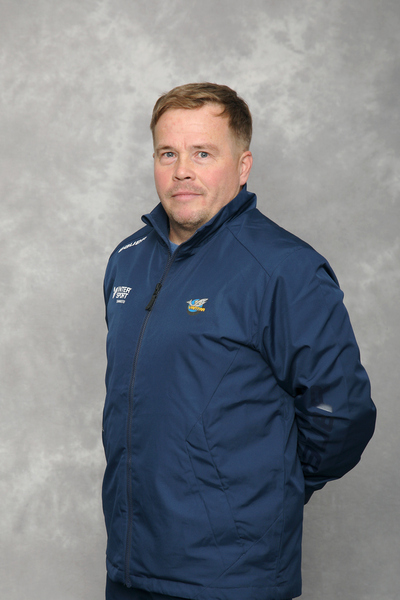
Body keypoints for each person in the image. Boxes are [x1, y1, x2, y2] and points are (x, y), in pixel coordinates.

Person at [102, 83, 376, 600]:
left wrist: (269, 489)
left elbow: (341, 415)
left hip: (231, 576)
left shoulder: (285, 269)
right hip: (131, 567)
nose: (182, 170)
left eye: (203, 153)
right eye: (168, 153)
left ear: (243, 165)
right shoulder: (127, 259)